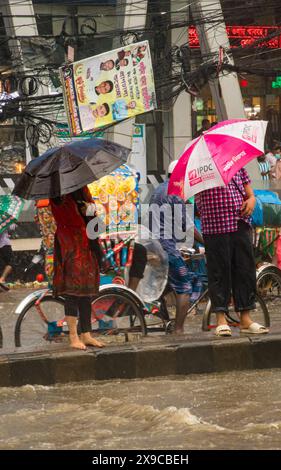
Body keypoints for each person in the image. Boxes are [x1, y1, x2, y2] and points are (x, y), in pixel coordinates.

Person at [195, 168, 269, 337]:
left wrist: (251, 200)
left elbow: (250, 195)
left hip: (239, 224)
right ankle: (221, 319)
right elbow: (198, 205)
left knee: (244, 271)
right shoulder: (200, 171)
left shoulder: (238, 166)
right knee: (219, 272)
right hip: (215, 228)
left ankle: (245, 318)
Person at [149, 160, 204, 334]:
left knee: (164, 286)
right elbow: (187, 226)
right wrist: (206, 241)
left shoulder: (158, 190)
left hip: (154, 245)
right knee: (185, 285)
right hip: (166, 248)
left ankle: (166, 321)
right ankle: (179, 329)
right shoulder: (176, 192)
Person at [50, 187, 104, 350]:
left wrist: (88, 208)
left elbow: (95, 216)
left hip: (87, 245)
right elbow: (61, 212)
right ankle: (73, 336)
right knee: (72, 292)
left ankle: (86, 333)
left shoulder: (81, 188)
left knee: (86, 292)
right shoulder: (57, 193)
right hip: (69, 245)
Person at [0, 225, 16, 290]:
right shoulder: (5, 218)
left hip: (4, 244)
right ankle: (2, 279)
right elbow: (12, 228)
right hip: (5, 244)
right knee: (10, 263)